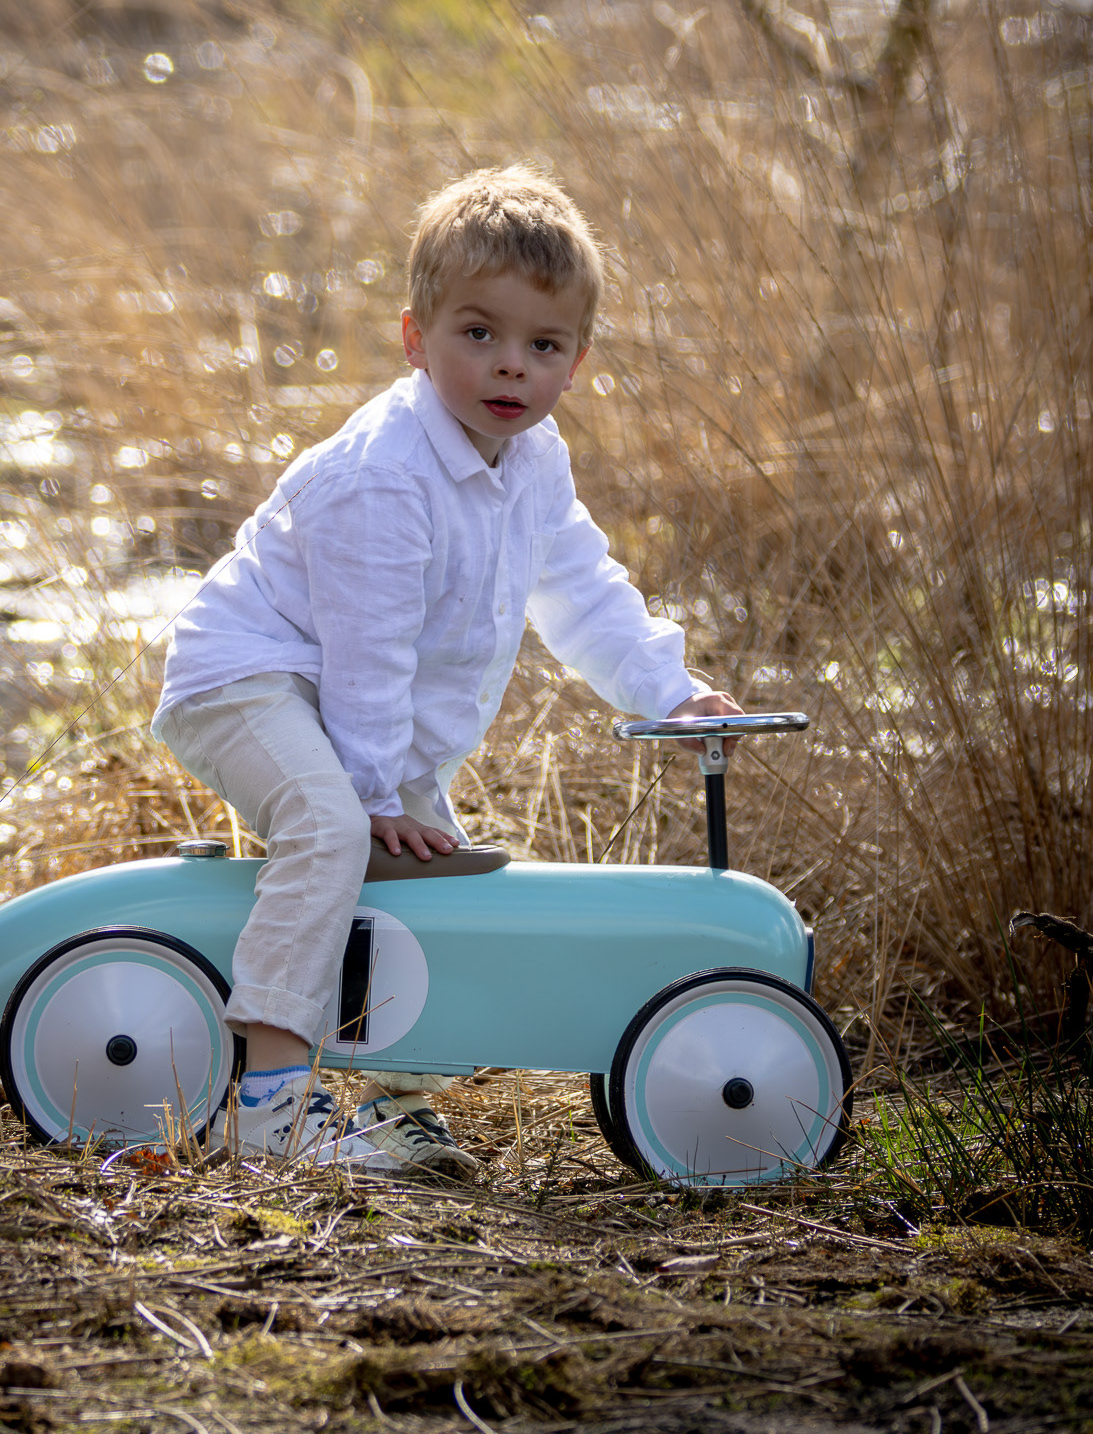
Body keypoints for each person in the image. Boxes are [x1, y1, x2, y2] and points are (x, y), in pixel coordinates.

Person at [151, 164, 740, 1172]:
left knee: (441, 884)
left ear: (575, 361)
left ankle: (392, 1100)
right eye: (480, 334)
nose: (510, 367)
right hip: (248, 675)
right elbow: (367, 642)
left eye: (541, 345)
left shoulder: (535, 459)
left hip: (347, 702)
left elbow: (583, 588)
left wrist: (669, 688)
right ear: (416, 336)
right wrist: (372, 790)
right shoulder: (384, 471)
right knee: (333, 825)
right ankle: (269, 1105)